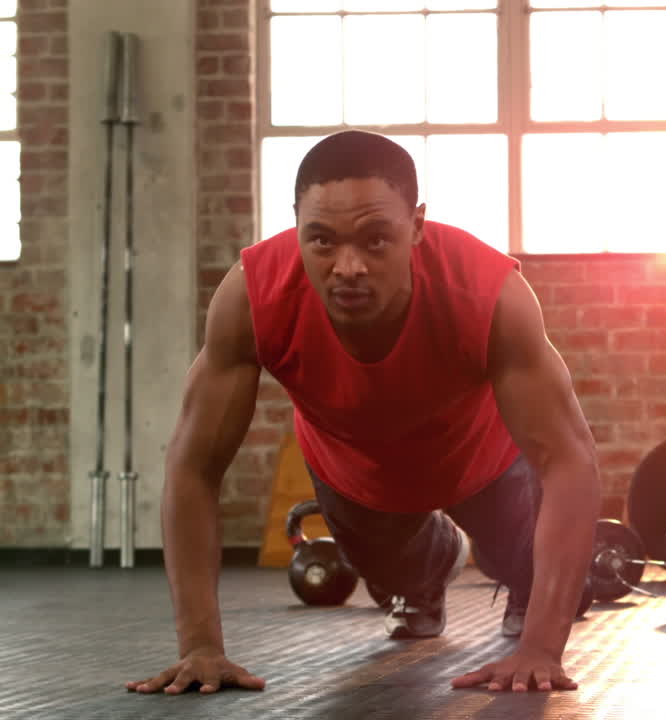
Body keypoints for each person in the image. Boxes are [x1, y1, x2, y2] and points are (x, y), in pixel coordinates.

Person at [127, 130, 601, 696]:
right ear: (296, 224)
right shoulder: (253, 296)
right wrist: (200, 646)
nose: (347, 267)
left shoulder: (489, 292)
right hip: (356, 475)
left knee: (519, 561)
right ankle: (432, 566)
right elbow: (193, 468)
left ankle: (525, 585)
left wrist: (542, 650)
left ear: (417, 226)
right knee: (397, 573)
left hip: (484, 463)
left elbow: (571, 463)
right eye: (322, 241)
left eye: (376, 240)